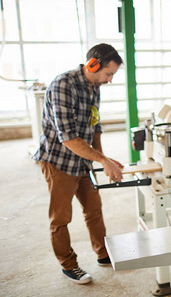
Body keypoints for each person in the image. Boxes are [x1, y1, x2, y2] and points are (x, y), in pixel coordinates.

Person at [32, 43, 124, 285]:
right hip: (59, 161)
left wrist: (103, 160)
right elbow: (69, 138)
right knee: (60, 218)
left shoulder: (94, 86)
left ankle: (103, 254)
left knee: (94, 209)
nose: (110, 80)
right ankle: (69, 265)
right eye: (108, 74)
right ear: (93, 64)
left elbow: (95, 125)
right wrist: (102, 160)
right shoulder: (63, 85)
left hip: (83, 162)